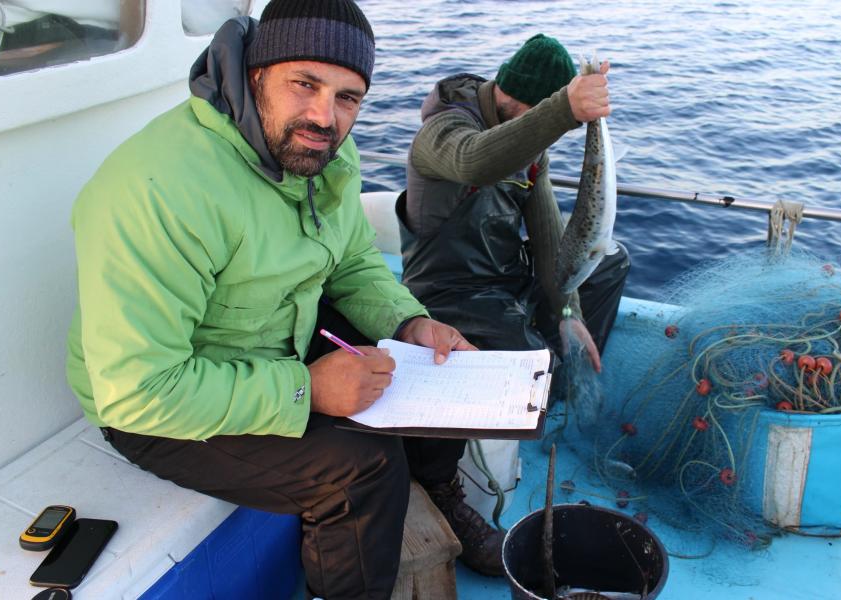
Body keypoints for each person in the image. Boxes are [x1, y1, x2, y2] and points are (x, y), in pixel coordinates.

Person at [65, 1, 482, 598]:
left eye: (347, 97)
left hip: (272, 335)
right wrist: (307, 389)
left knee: (423, 369)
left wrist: (409, 321)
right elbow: (136, 393)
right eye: (304, 84)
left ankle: (440, 493)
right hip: (159, 404)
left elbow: (353, 261)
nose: (324, 116)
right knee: (364, 471)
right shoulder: (158, 191)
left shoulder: (321, 155)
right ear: (255, 74)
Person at [397, 32, 631, 540]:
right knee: (525, 364)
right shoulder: (444, 129)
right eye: (540, 116)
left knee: (607, 265)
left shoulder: (531, 148)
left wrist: (570, 314)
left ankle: (554, 372)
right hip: (446, 291)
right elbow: (474, 160)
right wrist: (564, 110)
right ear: (512, 96)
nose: (545, 138)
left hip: (503, 280)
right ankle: (436, 485)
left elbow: (550, 240)